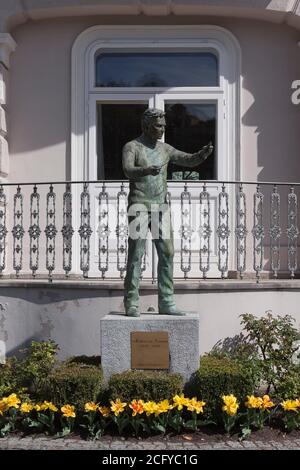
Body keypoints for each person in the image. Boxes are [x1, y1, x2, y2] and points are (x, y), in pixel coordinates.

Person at [122, 108, 213, 317]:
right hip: (139, 205)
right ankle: (132, 302)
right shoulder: (132, 147)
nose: (162, 129)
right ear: (146, 126)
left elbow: (187, 159)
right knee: (136, 252)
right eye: (158, 126)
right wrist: (145, 170)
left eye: (163, 125)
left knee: (167, 252)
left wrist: (202, 154)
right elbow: (127, 170)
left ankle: (166, 301)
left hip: (160, 206)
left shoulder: (165, 149)